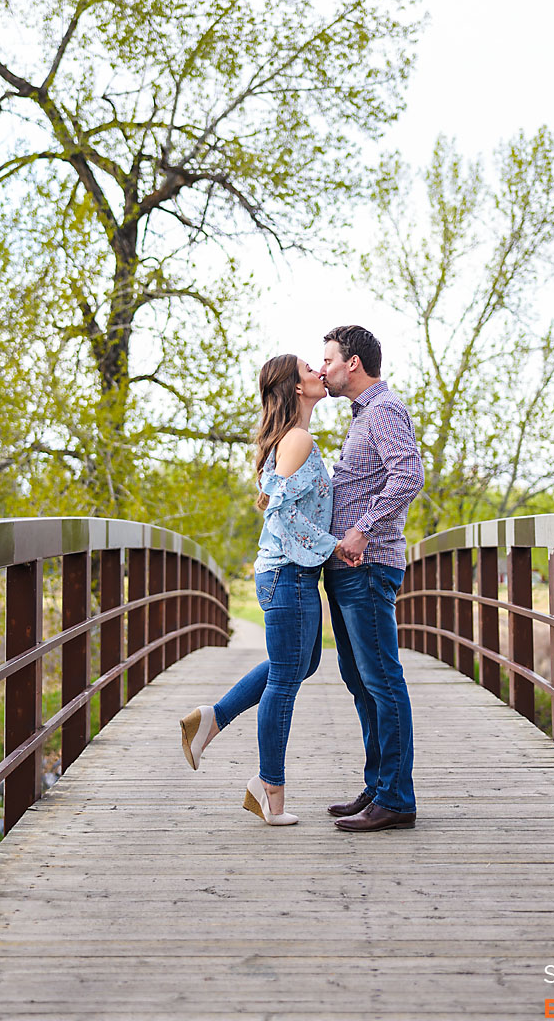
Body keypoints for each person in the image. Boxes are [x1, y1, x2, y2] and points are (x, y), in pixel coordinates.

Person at [179, 354, 357, 826]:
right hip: (289, 573)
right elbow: (281, 514)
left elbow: (279, 500)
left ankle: (212, 719)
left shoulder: (294, 438)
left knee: (303, 663)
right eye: (309, 370)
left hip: (289, 573)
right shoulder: (298, 438)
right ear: (296, 388)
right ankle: (269, 789)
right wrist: (334, 546)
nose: (320, 372)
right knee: (285, 678)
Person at [319, 325, 424, 832]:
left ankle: (398, 799)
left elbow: (409, 474)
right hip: (344, 571)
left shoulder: (383, 410)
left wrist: (361, 529)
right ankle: (380, 784)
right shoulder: (362, 416)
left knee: (382, 681)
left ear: (353, 363)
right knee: (360, 681)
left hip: (370, 566)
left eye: (329, 361)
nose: (323, 370)